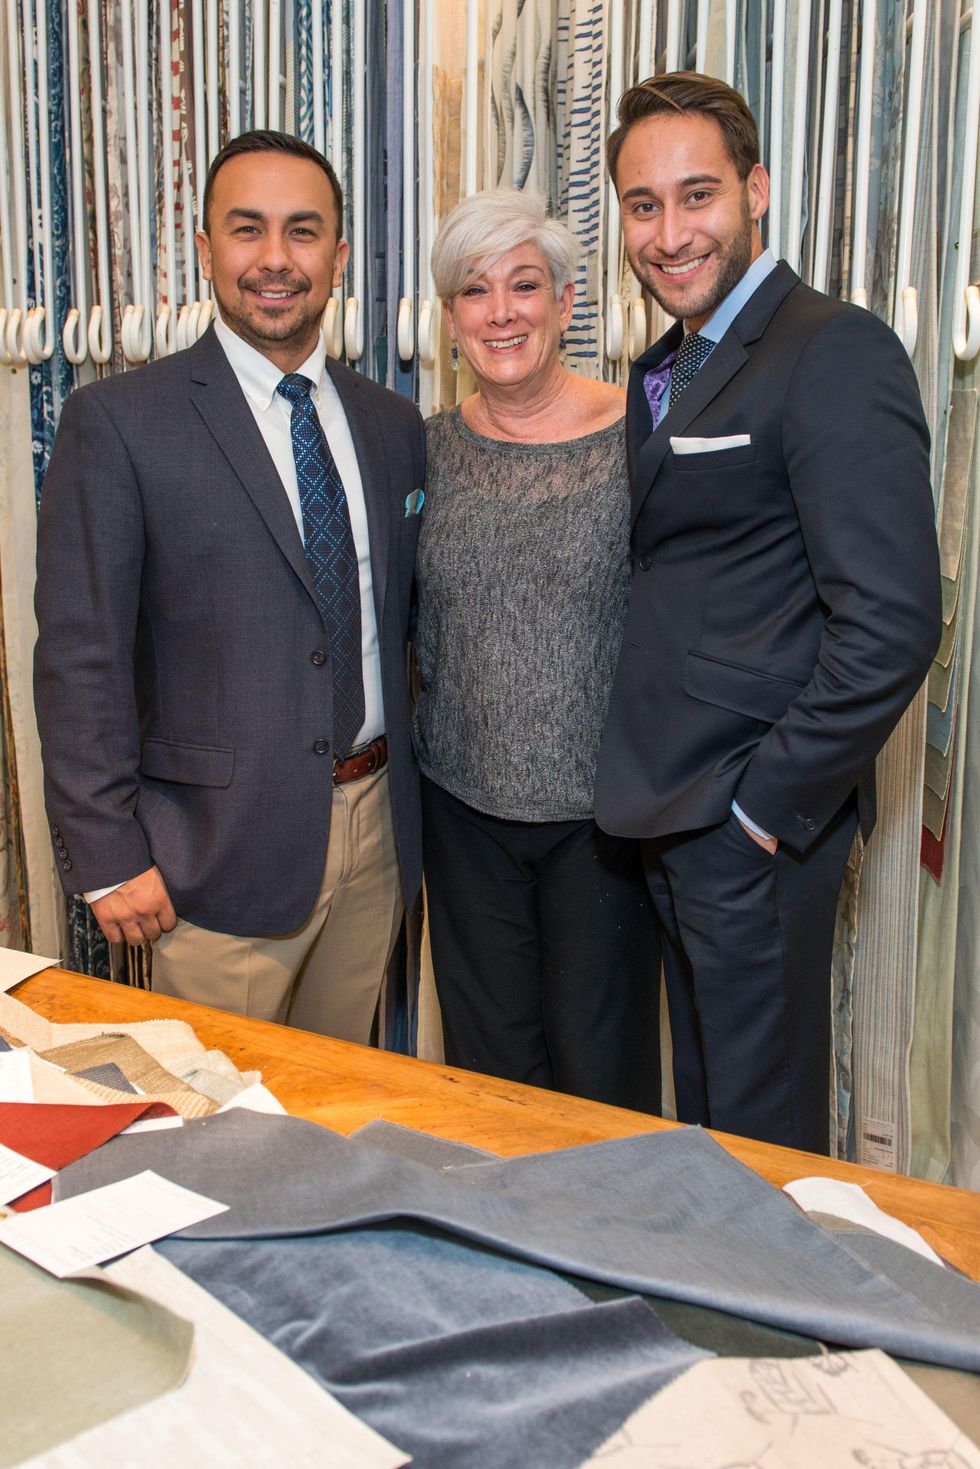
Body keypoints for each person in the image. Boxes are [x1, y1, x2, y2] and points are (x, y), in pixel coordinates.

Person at [595, 72, 942, 1152]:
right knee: (709, 1124)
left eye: (694, 195)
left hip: (748, 822)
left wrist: (760, 813)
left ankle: (787, 1326)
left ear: (754, 191)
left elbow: (890, 620)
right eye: (641, 206)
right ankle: (722, 1318)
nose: (667, 232)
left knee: (763, 1132)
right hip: (673, 812)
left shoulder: (830, 348)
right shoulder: (664, 365)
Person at [34, 131, 425, 1045]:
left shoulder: (392, 424)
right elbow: (79, 652)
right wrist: (105, 853)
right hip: (208, 859)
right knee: (213, 1142)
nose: (276, 260)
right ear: (206, 250)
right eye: (247, 231)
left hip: (376, 840)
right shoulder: (121, 422)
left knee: (336, 1121)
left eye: (303, 231)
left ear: (336, 256)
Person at [414, 188, 661, 1112]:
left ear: (565, 303)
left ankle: (603, 1254)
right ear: (450, 319)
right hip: (462, 813)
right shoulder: (425, 450)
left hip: (604, 827)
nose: (503, 311)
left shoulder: (640, 438)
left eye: (526, 285)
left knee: (602, 1075)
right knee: (491, 1078)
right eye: (476, 292)